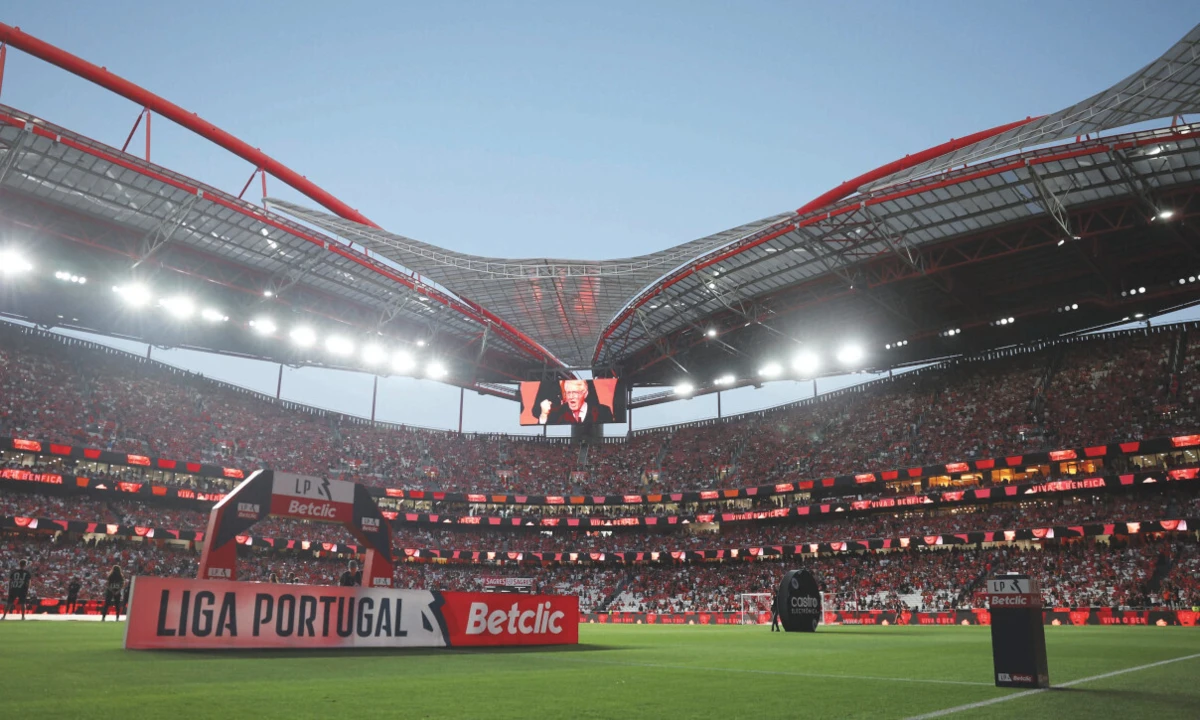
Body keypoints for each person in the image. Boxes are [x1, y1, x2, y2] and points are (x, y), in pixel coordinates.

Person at [540, 379, 614, 425]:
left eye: (575, 392)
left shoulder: (604, 411)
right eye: (568, 393)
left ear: (585, 393)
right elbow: (542, 426)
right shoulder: (558, 412)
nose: (571, 396)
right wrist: (543, 415)